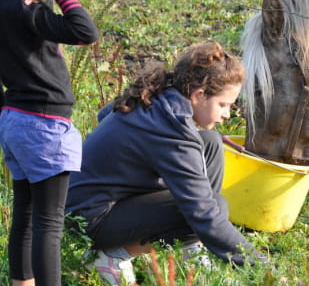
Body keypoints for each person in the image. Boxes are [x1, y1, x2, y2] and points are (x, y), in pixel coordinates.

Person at [66, 40, 269, 286]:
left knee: (210, 142)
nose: (227, 114)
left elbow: (104, 114)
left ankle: (192, 245)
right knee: (213, 206)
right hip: (90, 217)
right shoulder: (172, 131)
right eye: (223, 105)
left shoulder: (158, 95)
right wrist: (264, 268)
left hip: (89, 198)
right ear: (199, 95)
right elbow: (204, 213)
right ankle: (112, 255)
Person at [0, 0, 99, 286]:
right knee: (49, 221)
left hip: (14, 120)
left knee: (24, 211)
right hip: (45, 125)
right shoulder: (27, 12)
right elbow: (84, 31)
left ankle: (20, 282)